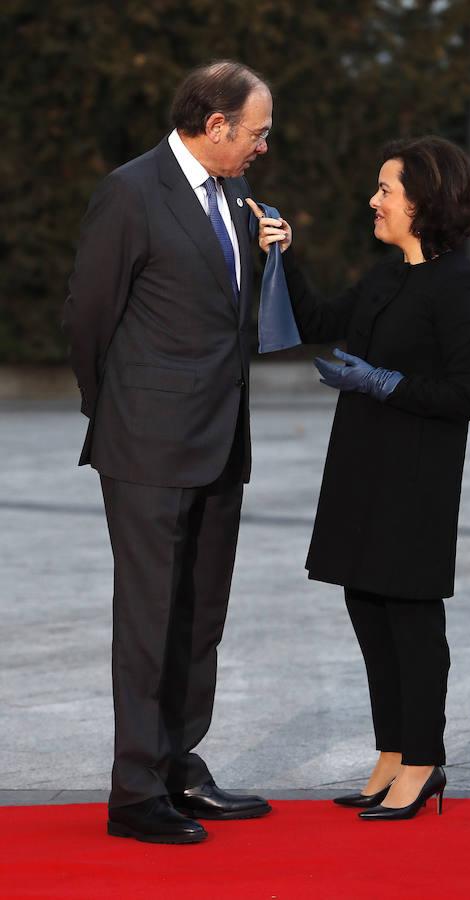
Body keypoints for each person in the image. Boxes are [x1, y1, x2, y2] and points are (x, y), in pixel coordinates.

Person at [249, 135, 470, 821]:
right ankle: (391, 754)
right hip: (362, 468)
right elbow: (322, 320)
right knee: (368, 608)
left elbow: (467, 392)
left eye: (386, 189)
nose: (373, 200)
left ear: (426, 199)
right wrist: (283, 254)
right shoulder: (388, 275)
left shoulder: (458, 284)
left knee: (412, 620)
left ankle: (424, 761)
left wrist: (384, 382)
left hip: (416, 479)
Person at [63, 60, 274, 844]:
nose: (263, 145)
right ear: (215, 124)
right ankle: (134, 791)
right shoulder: (130, 191)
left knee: (199, 615)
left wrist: (273, 252)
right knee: (149, 617)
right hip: (147, 443)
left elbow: (230, 313)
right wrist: (115, 408)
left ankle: (181, 762)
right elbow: (88, 313)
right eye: (256, 131)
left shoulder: (236, 196)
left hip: (222, 437)